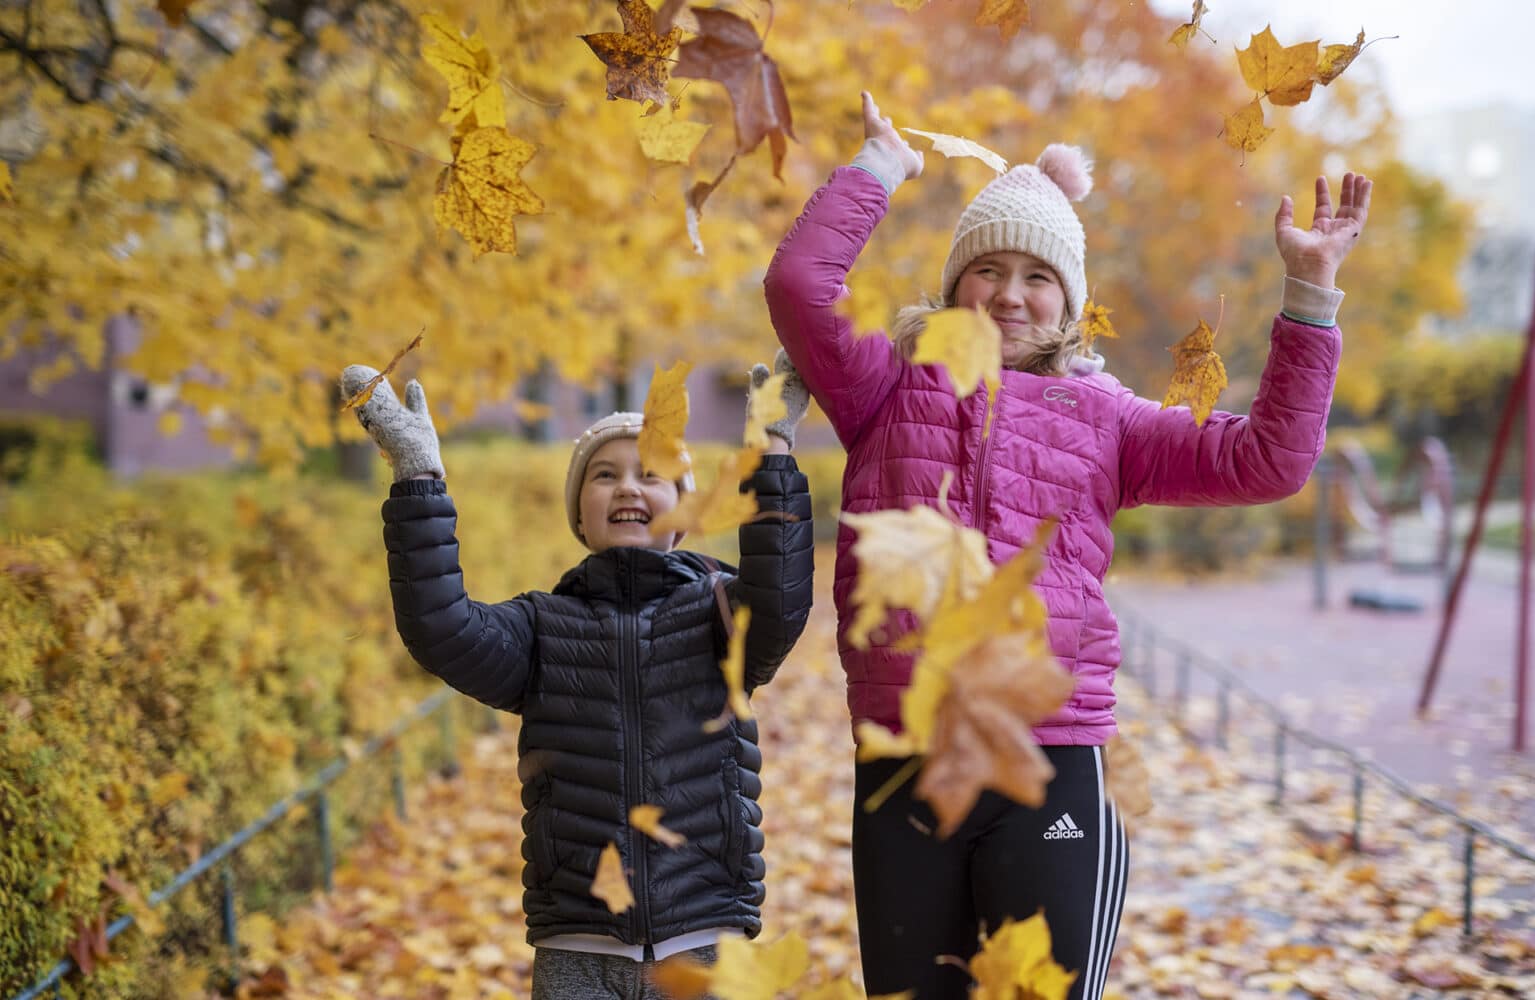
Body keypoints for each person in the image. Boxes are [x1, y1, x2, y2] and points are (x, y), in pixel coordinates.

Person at [764, 91, 1372, 1000]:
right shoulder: (883, 391)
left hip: (1050, 765)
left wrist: (1311, 296)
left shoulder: (1111, 421)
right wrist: (879, 167)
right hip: (905, 764)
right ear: (955, 282)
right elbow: (798, 286)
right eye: (989, 269)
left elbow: (1267, 460)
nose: (1009, 294)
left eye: (1036, 276)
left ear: (1068, 302)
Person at [340, 357, 814, 1000]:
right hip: (576, 945)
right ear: (578, 516)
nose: (627, 488)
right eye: (604, 475)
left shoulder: (723, 613)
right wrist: (418, 478)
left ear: (682, 508)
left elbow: (781, 589)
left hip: (704, 937)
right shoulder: (540, 628)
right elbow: (440, 628)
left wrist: (771, 448)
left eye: (652, 474)